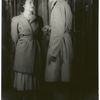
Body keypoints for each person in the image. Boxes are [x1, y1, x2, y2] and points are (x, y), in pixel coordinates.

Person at [11, 0, 41, 99]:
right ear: (23, 5)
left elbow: (38, 36)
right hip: (23, 52)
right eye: (30, 2)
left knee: (34, 86)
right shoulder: (16, 20)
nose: (33, 4)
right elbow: (14, 39)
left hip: (35, 50)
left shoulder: (37, 19)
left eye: (33, 2)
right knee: (24, 80)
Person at [44, 0, 73, 94]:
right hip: (64, 41)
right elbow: (62, 26)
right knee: (64, 77)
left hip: (59, 45)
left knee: (56, 79)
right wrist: (51, 28)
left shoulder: (58, 6)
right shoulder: (65, 4)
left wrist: (53, 53)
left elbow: (58, 33)